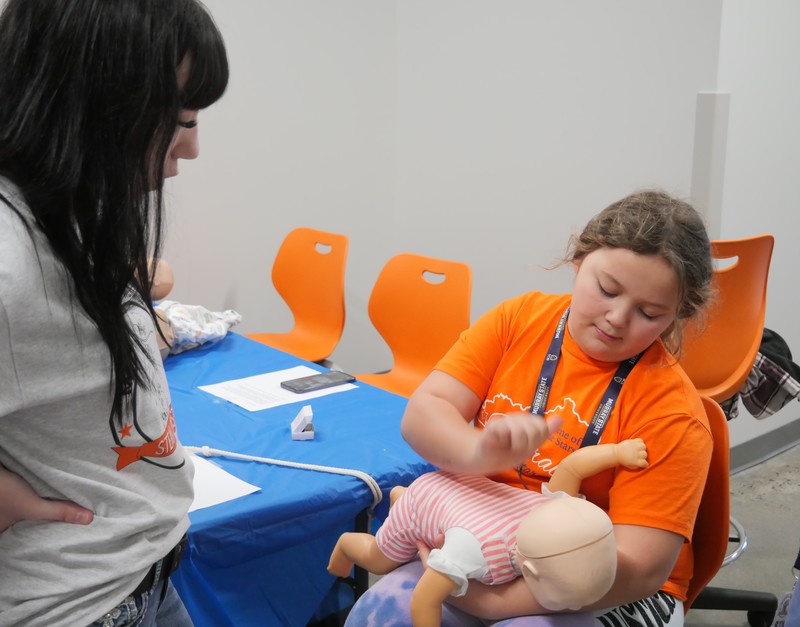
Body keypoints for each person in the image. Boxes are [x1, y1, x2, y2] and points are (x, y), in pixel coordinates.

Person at [344, 190, 715, 627]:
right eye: (607, 289)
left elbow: (639, 567)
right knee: (381, 613)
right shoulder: (517, 321)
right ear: (580, 260)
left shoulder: (672, 413)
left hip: (600, 581)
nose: (617, 317)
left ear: (676, 314)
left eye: (649, 313)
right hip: (485, 545)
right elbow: (425, 413)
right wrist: (476, 451)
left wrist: (489, 603)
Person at [0, 1, 228, 625]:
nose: (194, 147)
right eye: (181, 118)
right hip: (79, 602)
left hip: (143, 574)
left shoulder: (63, 212)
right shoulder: (9, 258)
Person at [328, 439, 648, 627]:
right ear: (530, 570)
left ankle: (402, 495)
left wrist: (617, 453)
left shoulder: (554, 510)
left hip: (459, 492)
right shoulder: (473, 552)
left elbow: (573, 467)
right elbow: (424, 600)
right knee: (381, 560)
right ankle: (346, 546)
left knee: (419, 505)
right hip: (426, 504)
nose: (574, 609)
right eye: (570, 603)